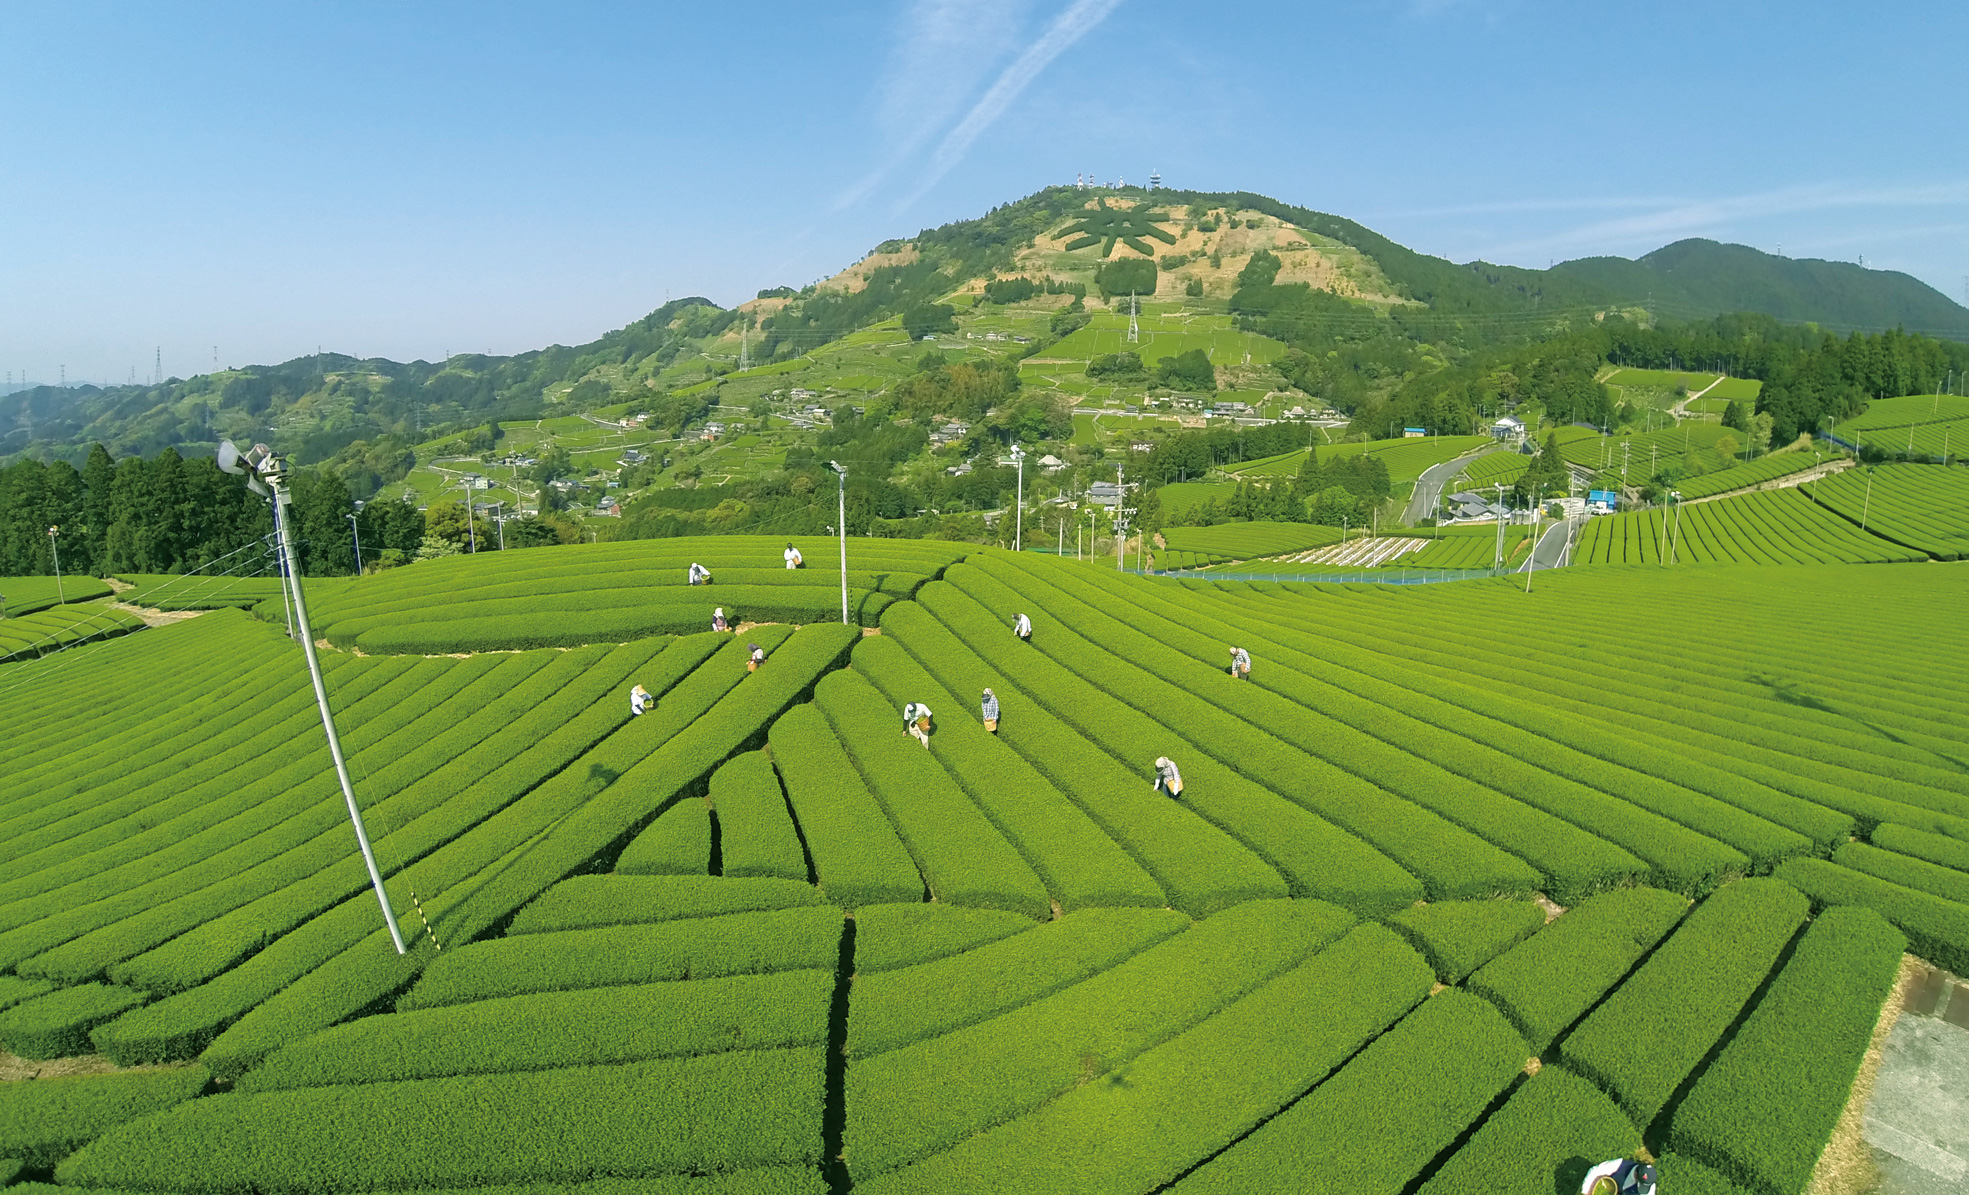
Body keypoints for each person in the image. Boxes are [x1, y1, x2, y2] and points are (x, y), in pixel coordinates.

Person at [1580, 1159, 1656, 1195]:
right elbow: (1595, 1171)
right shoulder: (1621, 1165)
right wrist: (1586, 1191)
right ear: (1636, 1172)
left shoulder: (1649, 1187)